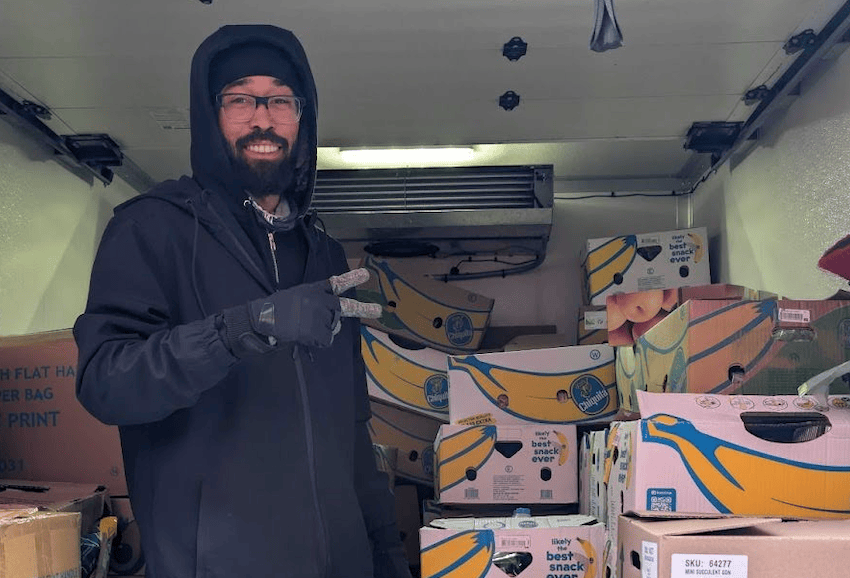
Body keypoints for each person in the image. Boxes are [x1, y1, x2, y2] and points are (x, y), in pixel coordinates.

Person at [73, 24, 413, 578]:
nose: (262, 118)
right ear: (211, 115)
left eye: (280, 99)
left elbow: (352, 434)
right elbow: (106, 382)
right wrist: (242, 329)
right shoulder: (152, 228)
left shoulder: (324, 254)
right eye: (240, 99)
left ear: (302, 118)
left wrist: (387, 558)